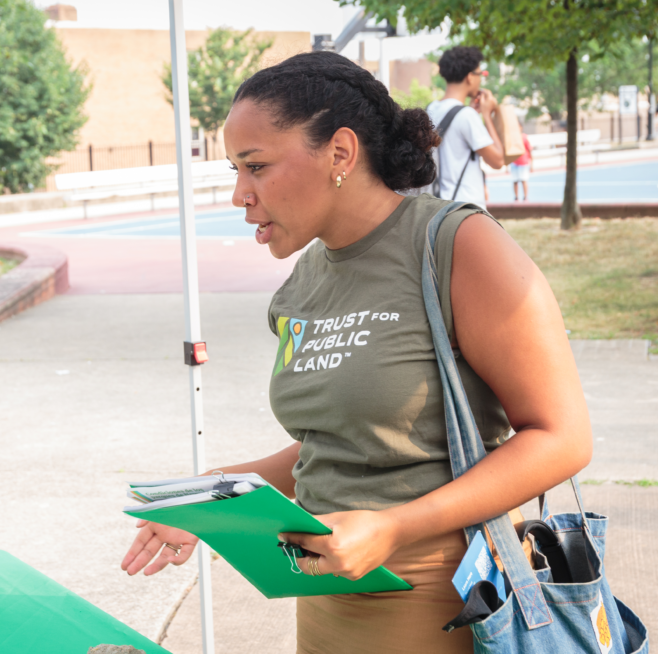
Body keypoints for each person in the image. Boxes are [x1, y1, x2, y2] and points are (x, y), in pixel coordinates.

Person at [120, 51, 592, 653]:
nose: (240, 193)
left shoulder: (456, 245)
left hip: (452, 602)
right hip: (323, 598)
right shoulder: (303, 281)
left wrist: (394, 526)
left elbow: (562, 437)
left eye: (256, 166)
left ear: (340, 153)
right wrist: (211, 494)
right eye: (235, 169)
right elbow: (341, 443)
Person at [426, 46, 505, 206]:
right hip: (464, 208)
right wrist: (487, 115)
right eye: (480, 74)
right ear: (470, 77)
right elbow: (498, 161)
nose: (481, 79)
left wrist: (474, 113)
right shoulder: (466, 116)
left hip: (438, 205)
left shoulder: (431, 109)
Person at [510, 121, 533, 201]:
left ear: (521, 127)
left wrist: (532, 163)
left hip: (523, 162)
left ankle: (525, 197)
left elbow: (529, 150)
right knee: (515, 181)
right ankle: (516, 197)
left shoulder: (524, 137)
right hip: (514, 162)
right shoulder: (511, 138)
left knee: (524, 180)